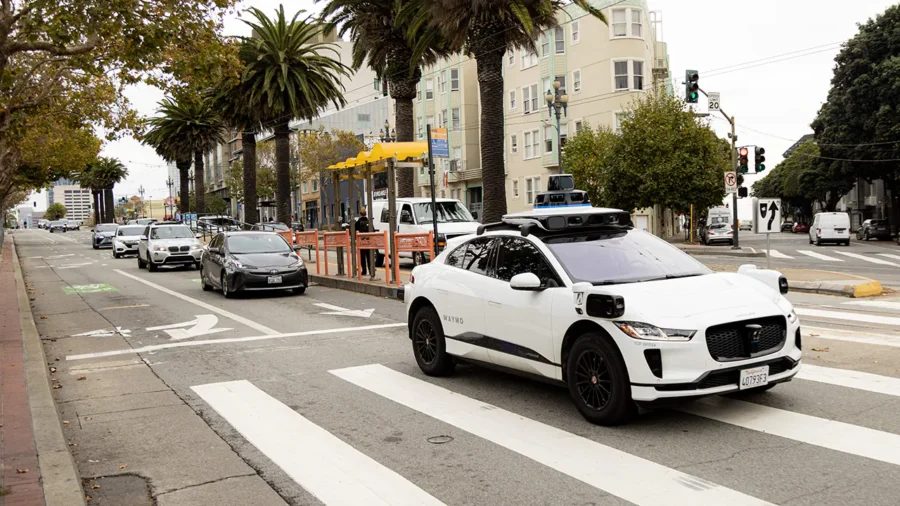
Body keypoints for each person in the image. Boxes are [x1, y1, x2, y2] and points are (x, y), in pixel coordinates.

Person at [355, 207, 370, 277]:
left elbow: (355, 232)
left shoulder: (358, 222)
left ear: (360, 214)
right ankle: (371, 270)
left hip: (361, 242)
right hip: (369, 241)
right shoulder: (369, 221)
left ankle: (364, 271)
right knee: (369, 256)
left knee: (362, 257)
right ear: (365, 213)